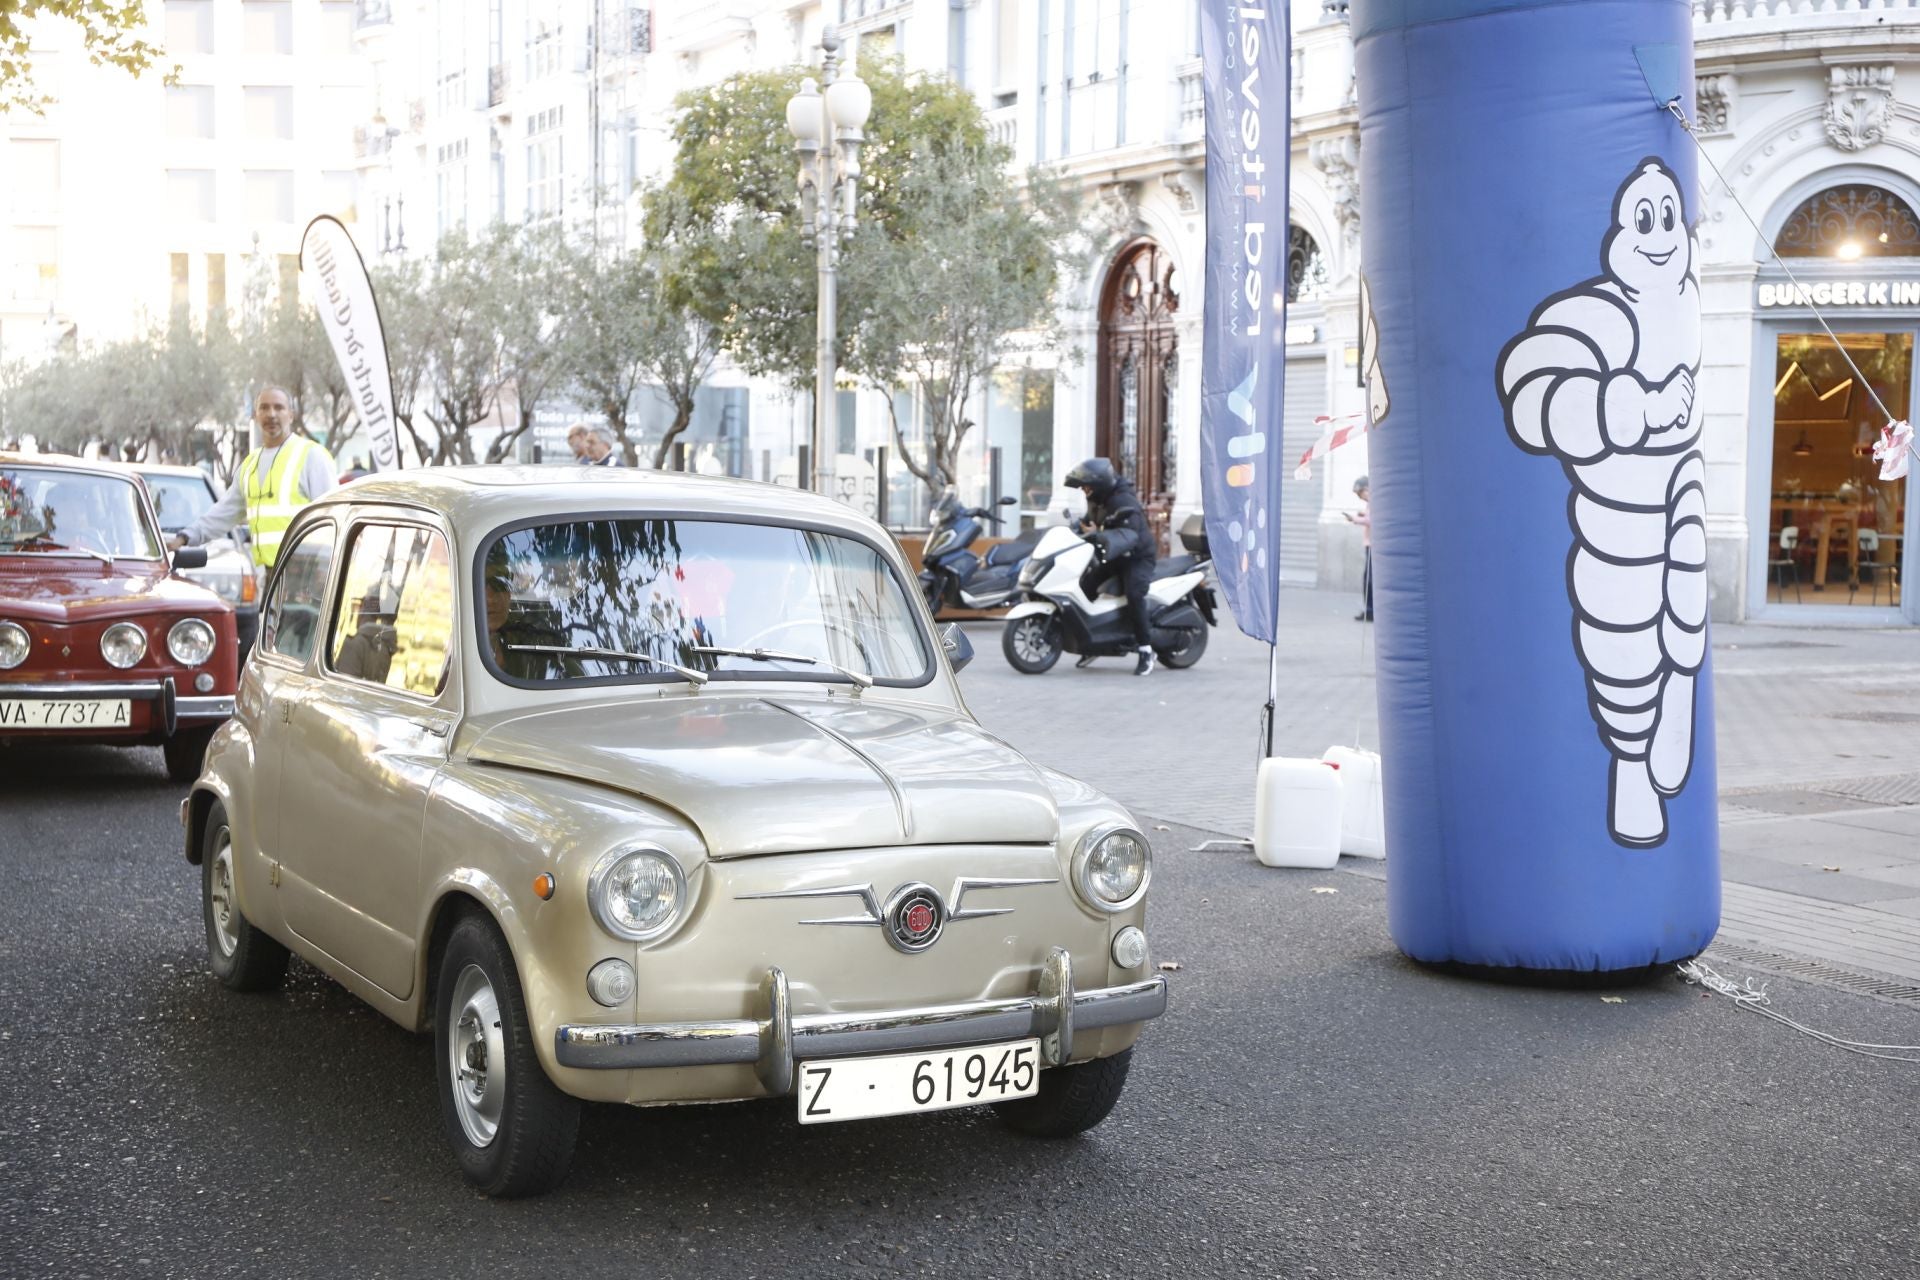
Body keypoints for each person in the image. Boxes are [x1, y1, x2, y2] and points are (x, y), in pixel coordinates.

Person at [170, 387, 336, 579]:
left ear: (291, 415)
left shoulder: (311, 456)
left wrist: (325, 571)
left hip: (309, 575)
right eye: (264, 408)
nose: (271, 414)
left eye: (279, 407)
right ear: (255, 415)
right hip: (269, 576)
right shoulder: (249, 466)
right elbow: (222, 514)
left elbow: (334, 516)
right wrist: (184, 538)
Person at [1063, 457, 1158, 675]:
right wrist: (1078, 527)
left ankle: (1145, 649)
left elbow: (1128, 534)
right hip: (1114, 555)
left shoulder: (1124, 501)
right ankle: (1094, 643)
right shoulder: (1097, 499)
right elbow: (1090, 522)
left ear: (1099, 484)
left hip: (1137, 557)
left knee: (1134, 594)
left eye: (1087, 487)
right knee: (1086, 586)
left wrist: (1099, 531)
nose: (1084, 491)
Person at [1346, 475, 1373, 622]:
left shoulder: (1375, 501)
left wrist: (1355, 519)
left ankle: (1370, 610)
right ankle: (1369, 610)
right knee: (1368, 579)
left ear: (1366, 489)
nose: (1360, 497)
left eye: (1360, 494)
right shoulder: (1370, 503)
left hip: (1373, 545)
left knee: (1369, 580)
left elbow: (1372, 520)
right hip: (1370, 544)